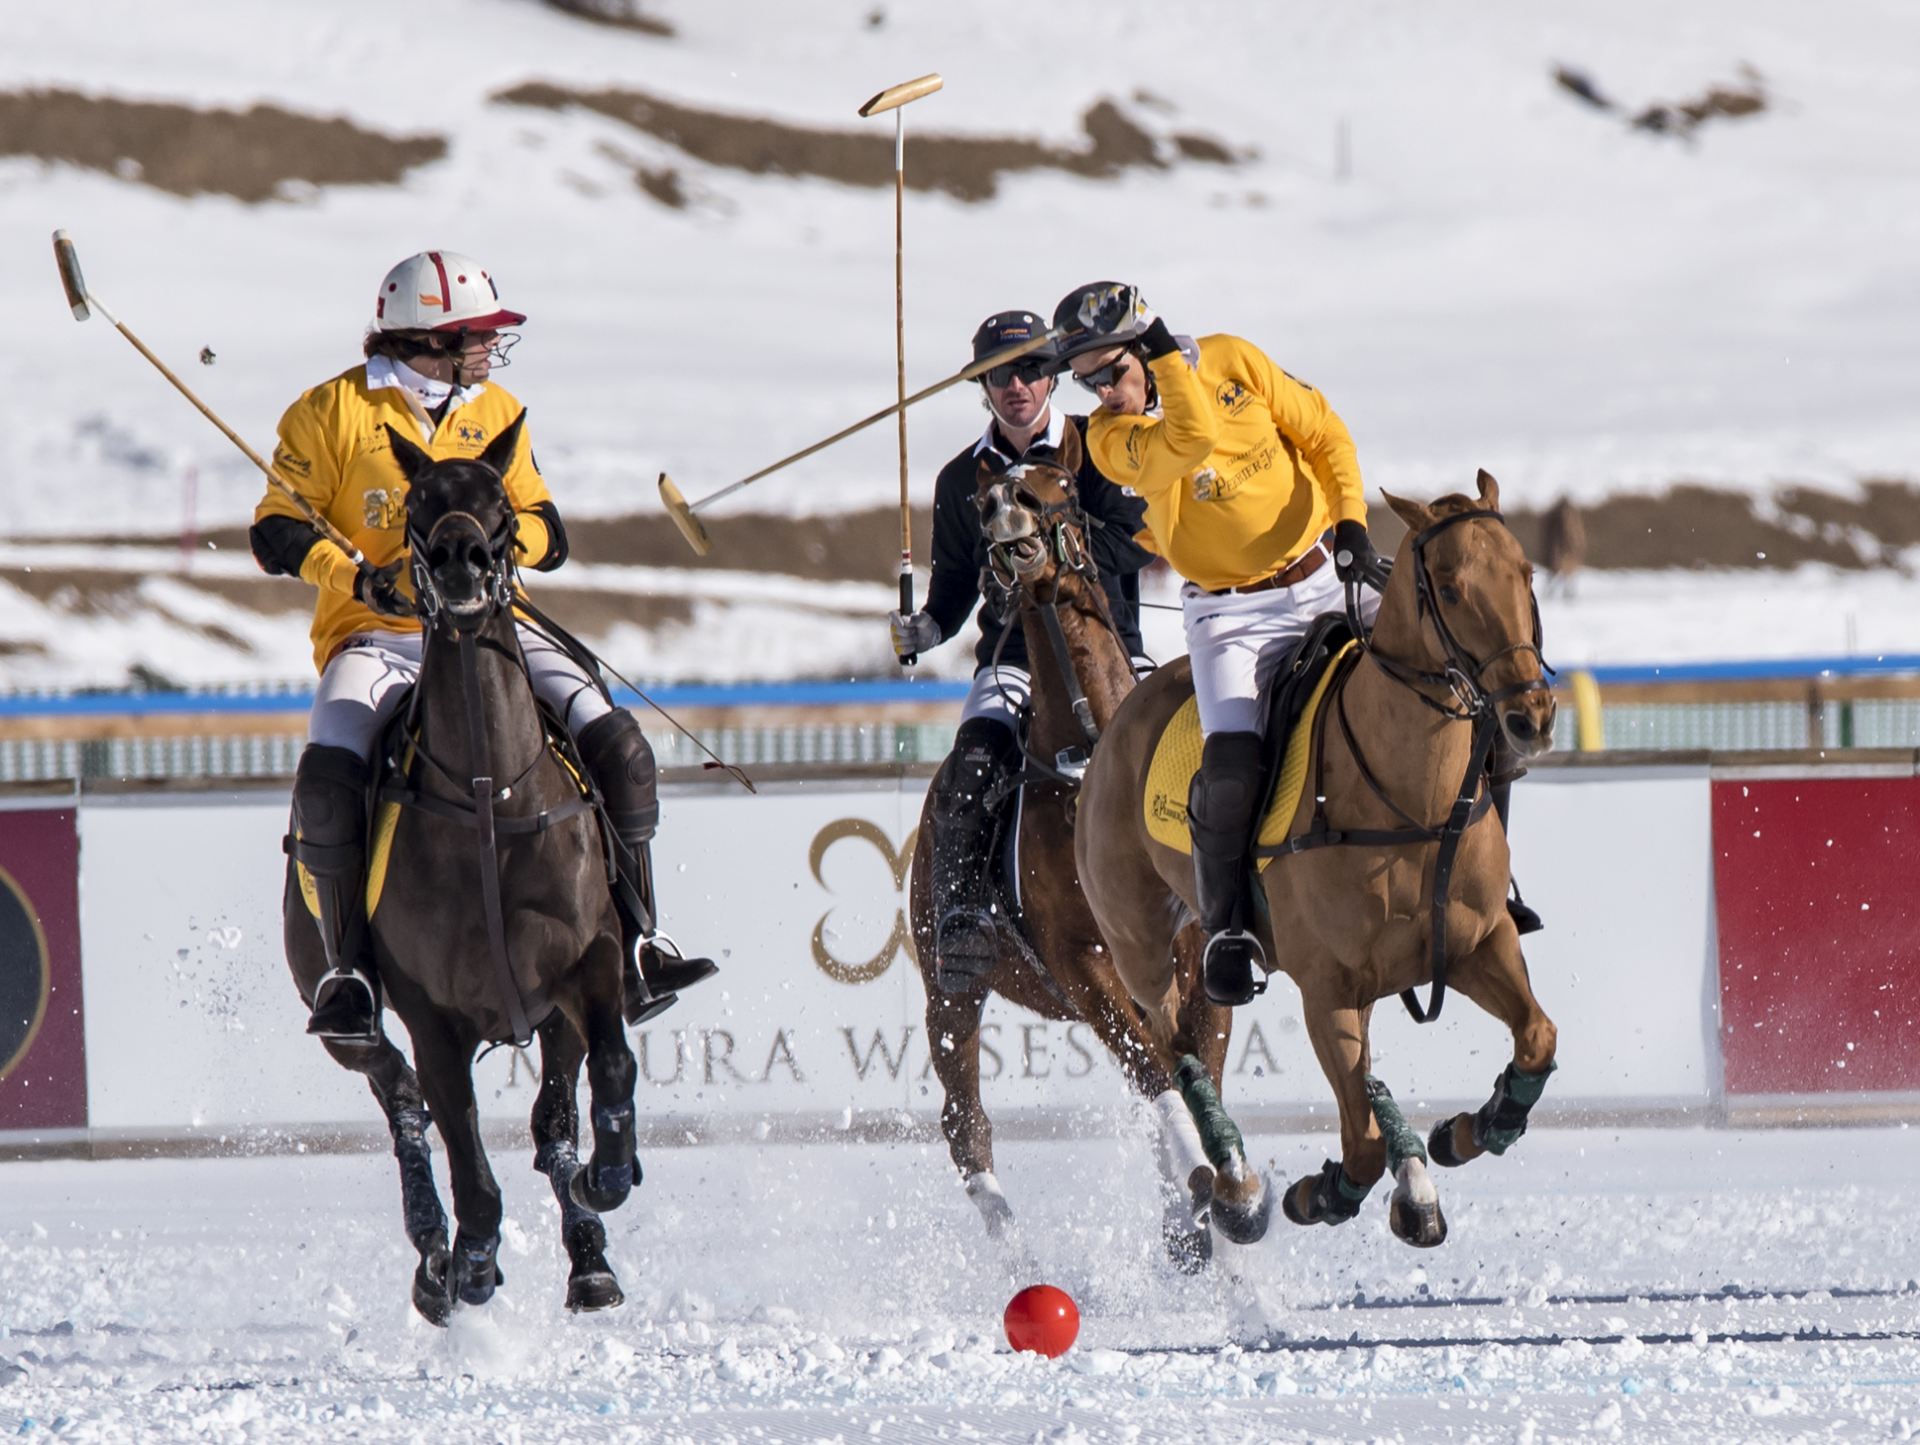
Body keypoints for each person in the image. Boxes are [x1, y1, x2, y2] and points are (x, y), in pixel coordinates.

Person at [251, 249, 713, 1040]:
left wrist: (503, 551)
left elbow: (547, 528)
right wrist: (361, 582)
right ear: (433, 338)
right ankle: (350, 973)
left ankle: (640, 939)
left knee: (621, 746)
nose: (490, 350)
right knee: (328, 780)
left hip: (500, 631)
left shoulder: (497, 410)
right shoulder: (328, 413)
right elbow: (275, 532)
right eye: (479, 336)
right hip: (380, 639)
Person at [1049, 281, 1392, 1009]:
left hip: (1321, 576)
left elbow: (1325, 433)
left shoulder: (1235, 360)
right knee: (1231, 764)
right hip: (1233, 619)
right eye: (1087, 380)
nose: (1105, 391)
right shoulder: (1111, 441)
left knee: (1441, 675)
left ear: (1140, 351)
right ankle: (1231, 929)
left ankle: (1484, 868)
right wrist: (1163, 355)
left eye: (1112, 371)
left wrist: (1354, 524)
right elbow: (1192, 438)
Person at [888, 310, 1155, 989]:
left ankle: (1230, 901)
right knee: (971, 763)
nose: (1017, 385)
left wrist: (1061, 543)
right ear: (983, 386)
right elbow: (953, 586)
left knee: (1188, 753)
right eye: (1001, 374)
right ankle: (964, 918)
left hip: (1111, 646)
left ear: (1054, 376)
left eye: (1031, 369)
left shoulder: (1106, 447)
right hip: (1013, 656)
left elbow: (1140, 535)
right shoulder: (961, 480)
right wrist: (928, 627)